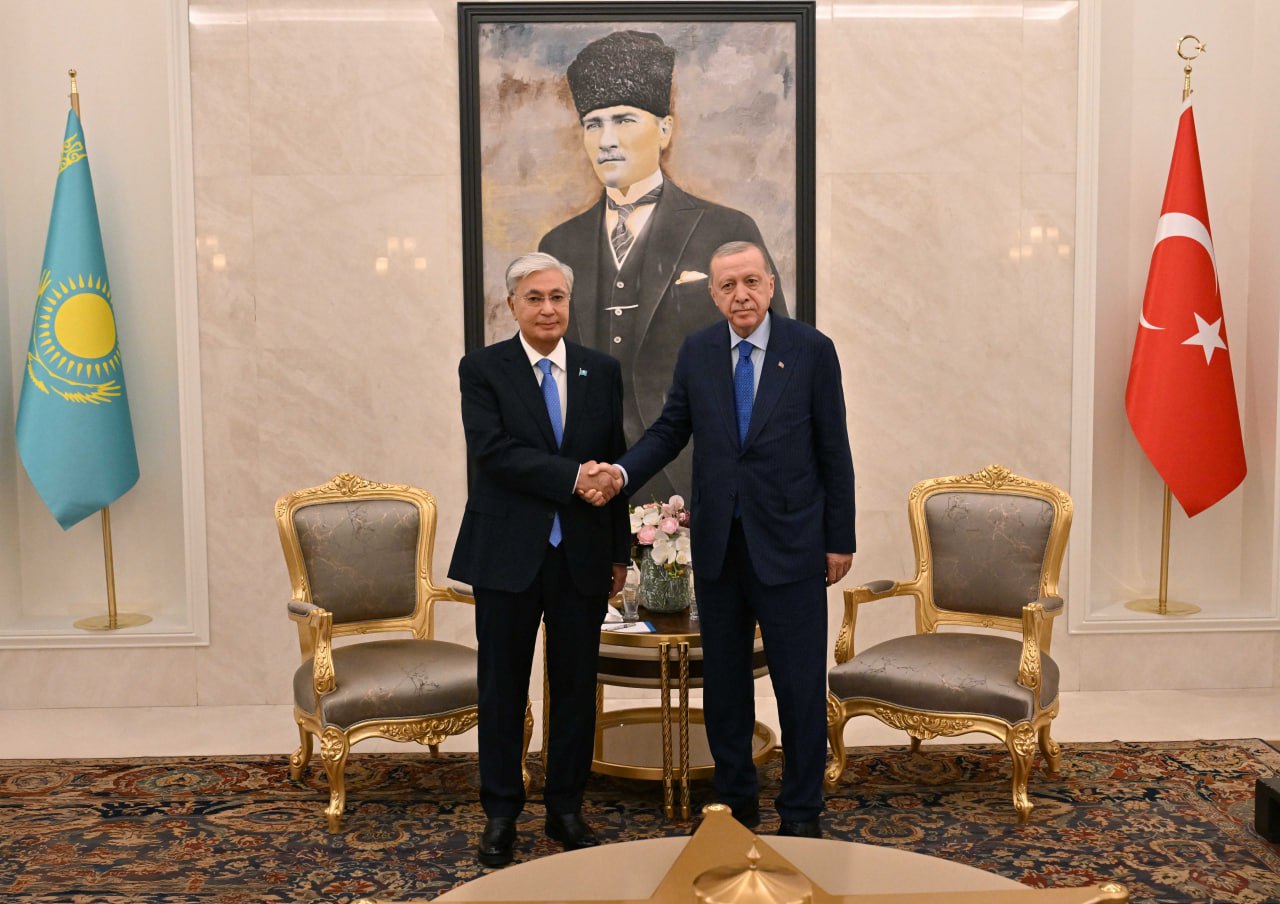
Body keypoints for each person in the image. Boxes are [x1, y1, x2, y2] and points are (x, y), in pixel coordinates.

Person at [602, 241, 855, 838]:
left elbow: (834, 449)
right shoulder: (699, 351)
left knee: (798, 686)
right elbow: (670, 430)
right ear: (714, 294)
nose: (741, 295)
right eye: (727, 285)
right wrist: (620, 473)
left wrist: (839, 539)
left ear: (770, 285)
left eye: (750, 282)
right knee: (725, 686)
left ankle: (801, 811)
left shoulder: (811, 350)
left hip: (792, 545)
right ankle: (737, 804)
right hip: (720, 548)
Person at [538, 29, 788, 507]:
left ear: (666, 130)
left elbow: (773, 359)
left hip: (697, 470)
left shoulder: (727, 229)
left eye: (624, 120)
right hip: (593, 478)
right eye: (593, 124)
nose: (606, 141)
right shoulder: (558, 245)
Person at [449, 252, 629, 868]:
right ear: (512, 306)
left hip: (582, 554)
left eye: (557, 297)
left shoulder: (601, 370)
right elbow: (492, 451)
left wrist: (619, 550)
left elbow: (615, 459)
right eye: (534, 297)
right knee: (502, 688)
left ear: (569, 302)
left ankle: (565, 808)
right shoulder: (482, 369)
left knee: (576, 687)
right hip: (507, 554)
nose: (548, 308)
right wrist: (573, 477)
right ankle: (501, 813)